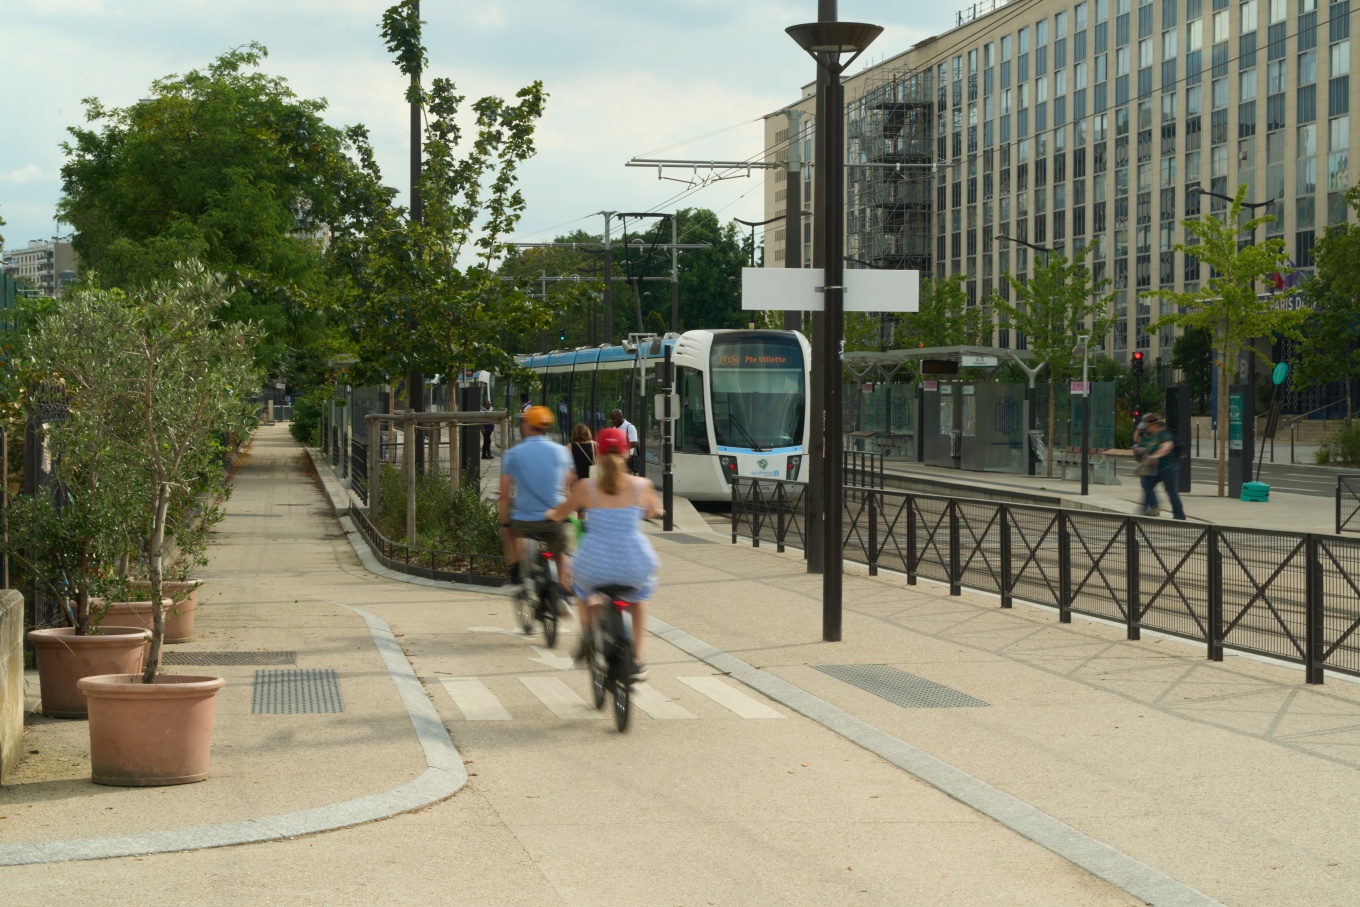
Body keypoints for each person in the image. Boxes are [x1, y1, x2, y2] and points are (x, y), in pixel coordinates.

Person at [547, 426, 661, 681]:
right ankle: (638, 659)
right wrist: (650, 511)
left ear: (597, 454)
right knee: (639, 598)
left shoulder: (586, 487)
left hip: (595, 562)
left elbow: (561, 513)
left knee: (582, 588)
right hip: (634, 563)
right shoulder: (642, 485)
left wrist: (552, 515)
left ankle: (588, 634)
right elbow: (654, 511)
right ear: (626, 453)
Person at [498, 405, 575, 607]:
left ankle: (515, 577)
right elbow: (567, 488)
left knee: (509, 532)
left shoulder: (512, 454)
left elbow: (504, 495)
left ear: (528, 426)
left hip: (525, 521)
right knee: (562, 552)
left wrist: (505, 522)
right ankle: (565, 595)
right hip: (555, 518)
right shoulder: (563, 453)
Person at [1139, 413, 1187, 520]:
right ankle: (1142, 513)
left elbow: (1167, 447)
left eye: (1148, 425)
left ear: (1154, 425)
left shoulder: (1164, 434)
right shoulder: (1150, 436)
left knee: (1171, 492)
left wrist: (1155, 455)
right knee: (1146, 485)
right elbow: (1143, 445)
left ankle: (1179, 515)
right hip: (1155, 468)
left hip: (1168, 467)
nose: (1146, 427)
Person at [609, 408, 639, 474]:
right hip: (616, 460)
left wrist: (619, 447)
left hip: (627, 461)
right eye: (611, 420)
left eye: (614, 420)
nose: (613, 422)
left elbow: (634, 444)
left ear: (620, 417)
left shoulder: (630, 427)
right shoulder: (614, 428)